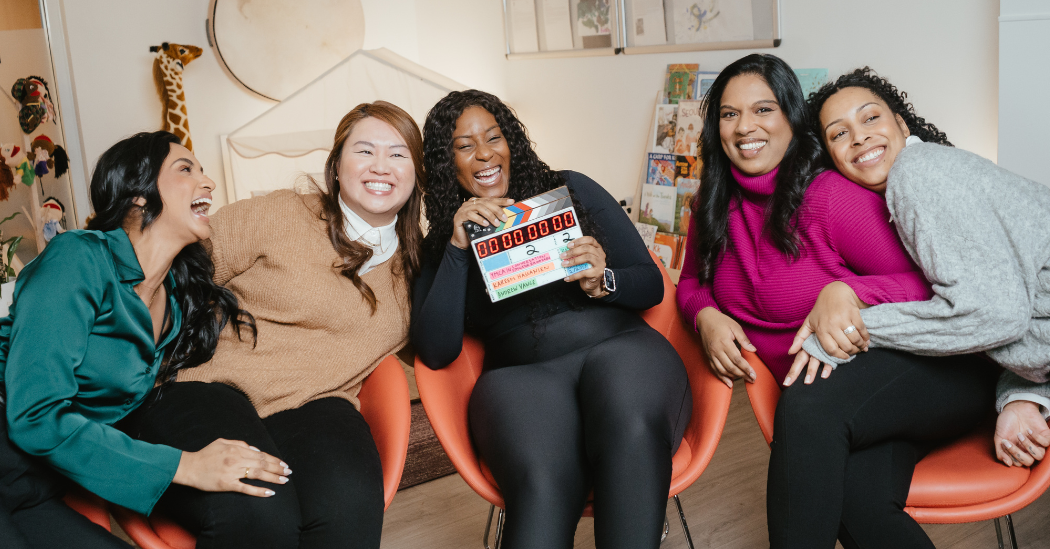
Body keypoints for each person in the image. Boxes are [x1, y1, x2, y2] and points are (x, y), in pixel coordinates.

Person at [676, 54, 997, 549]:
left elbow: (930, 284)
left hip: (932, 372)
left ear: (791, 118)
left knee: (807, 409)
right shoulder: (711, 204)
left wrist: (847, 292)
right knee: (859, 504)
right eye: (729, 113)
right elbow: (692, 282)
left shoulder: (829, 196)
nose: (746, 128)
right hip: (851, 406)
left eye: (764, 110)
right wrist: (706, 316)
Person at [121, 101, 424, 549]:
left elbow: (447, 342)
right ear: (336, 167)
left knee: (349, 508)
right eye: (364, 151)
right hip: (203, 385)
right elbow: (168, 265)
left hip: (315, 403)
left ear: (416, 171)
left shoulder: (420, 269)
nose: (381, 166)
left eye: (398, 154)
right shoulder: (280, 214)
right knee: (259, 508)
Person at [412, 89, 691, 549]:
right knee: (542, 481)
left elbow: (651, 284)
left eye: (493, 137)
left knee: (630, 429)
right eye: (464, 145)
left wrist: (604, 280)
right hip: (521, 380)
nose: (484, 154)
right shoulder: (444, 243)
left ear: (511, 142)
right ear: (447, 163)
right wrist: (458, 248)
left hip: (620, 349)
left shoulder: (571, 189)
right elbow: (436, 350)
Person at [0, 131, 287, 548]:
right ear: (137, 194)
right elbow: (35, 414)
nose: (206, 182)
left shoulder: (173, 307)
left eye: (204, 171)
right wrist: (184, 466)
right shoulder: (78, 257)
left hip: (35, 486)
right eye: (186, 169)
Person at [801, 67, 1050, 469]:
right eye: (839, 133)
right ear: (830, 157)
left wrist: (847, 332)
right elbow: (1026, 304)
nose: (859, 136)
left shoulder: (915, 173)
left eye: (870, 118)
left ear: (900, 123)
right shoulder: (925, 173)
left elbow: (996, 315)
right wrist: (1021, 397)